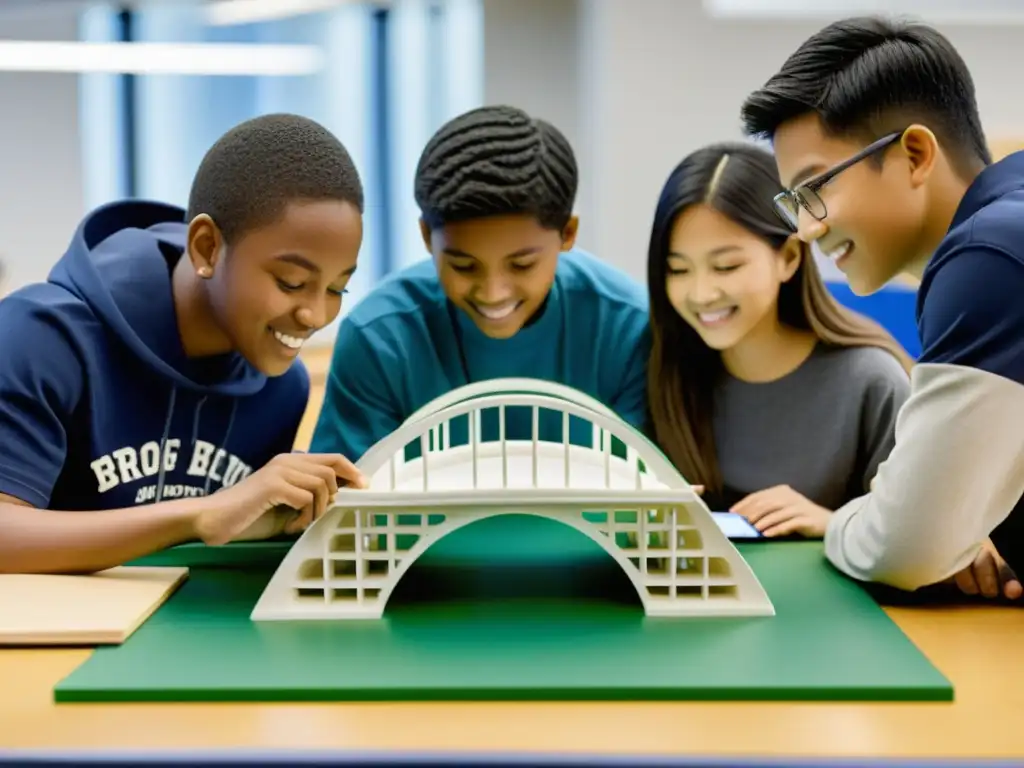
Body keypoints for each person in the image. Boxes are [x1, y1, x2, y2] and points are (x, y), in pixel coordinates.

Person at [0, 113, 367, 575]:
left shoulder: (282, 388)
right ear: (208, 247)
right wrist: (199, 516)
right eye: (291, 282)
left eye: (337, 289)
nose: (315, 315)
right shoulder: (40, 336)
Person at [740, 15, 1024, 598]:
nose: (804, 230)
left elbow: (905, 547)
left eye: (815, 190)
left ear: (916, 153)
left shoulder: (985, 259)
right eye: (794, 201)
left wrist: (838, 522)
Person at [311, 105, 650, 461]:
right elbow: (346, 505)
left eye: (521, 265)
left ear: (568, 233)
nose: (493, 292)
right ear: (427, 237)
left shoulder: (628, 328)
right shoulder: (379, 338)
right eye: (463, 266)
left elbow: (649, 496)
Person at [647, 141, 911, 538]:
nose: (701, 294)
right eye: (678, 270)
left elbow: (919, 532)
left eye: (726, 266)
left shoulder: (871, 382)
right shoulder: (664, 367)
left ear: (789, 257)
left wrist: (831, 523)